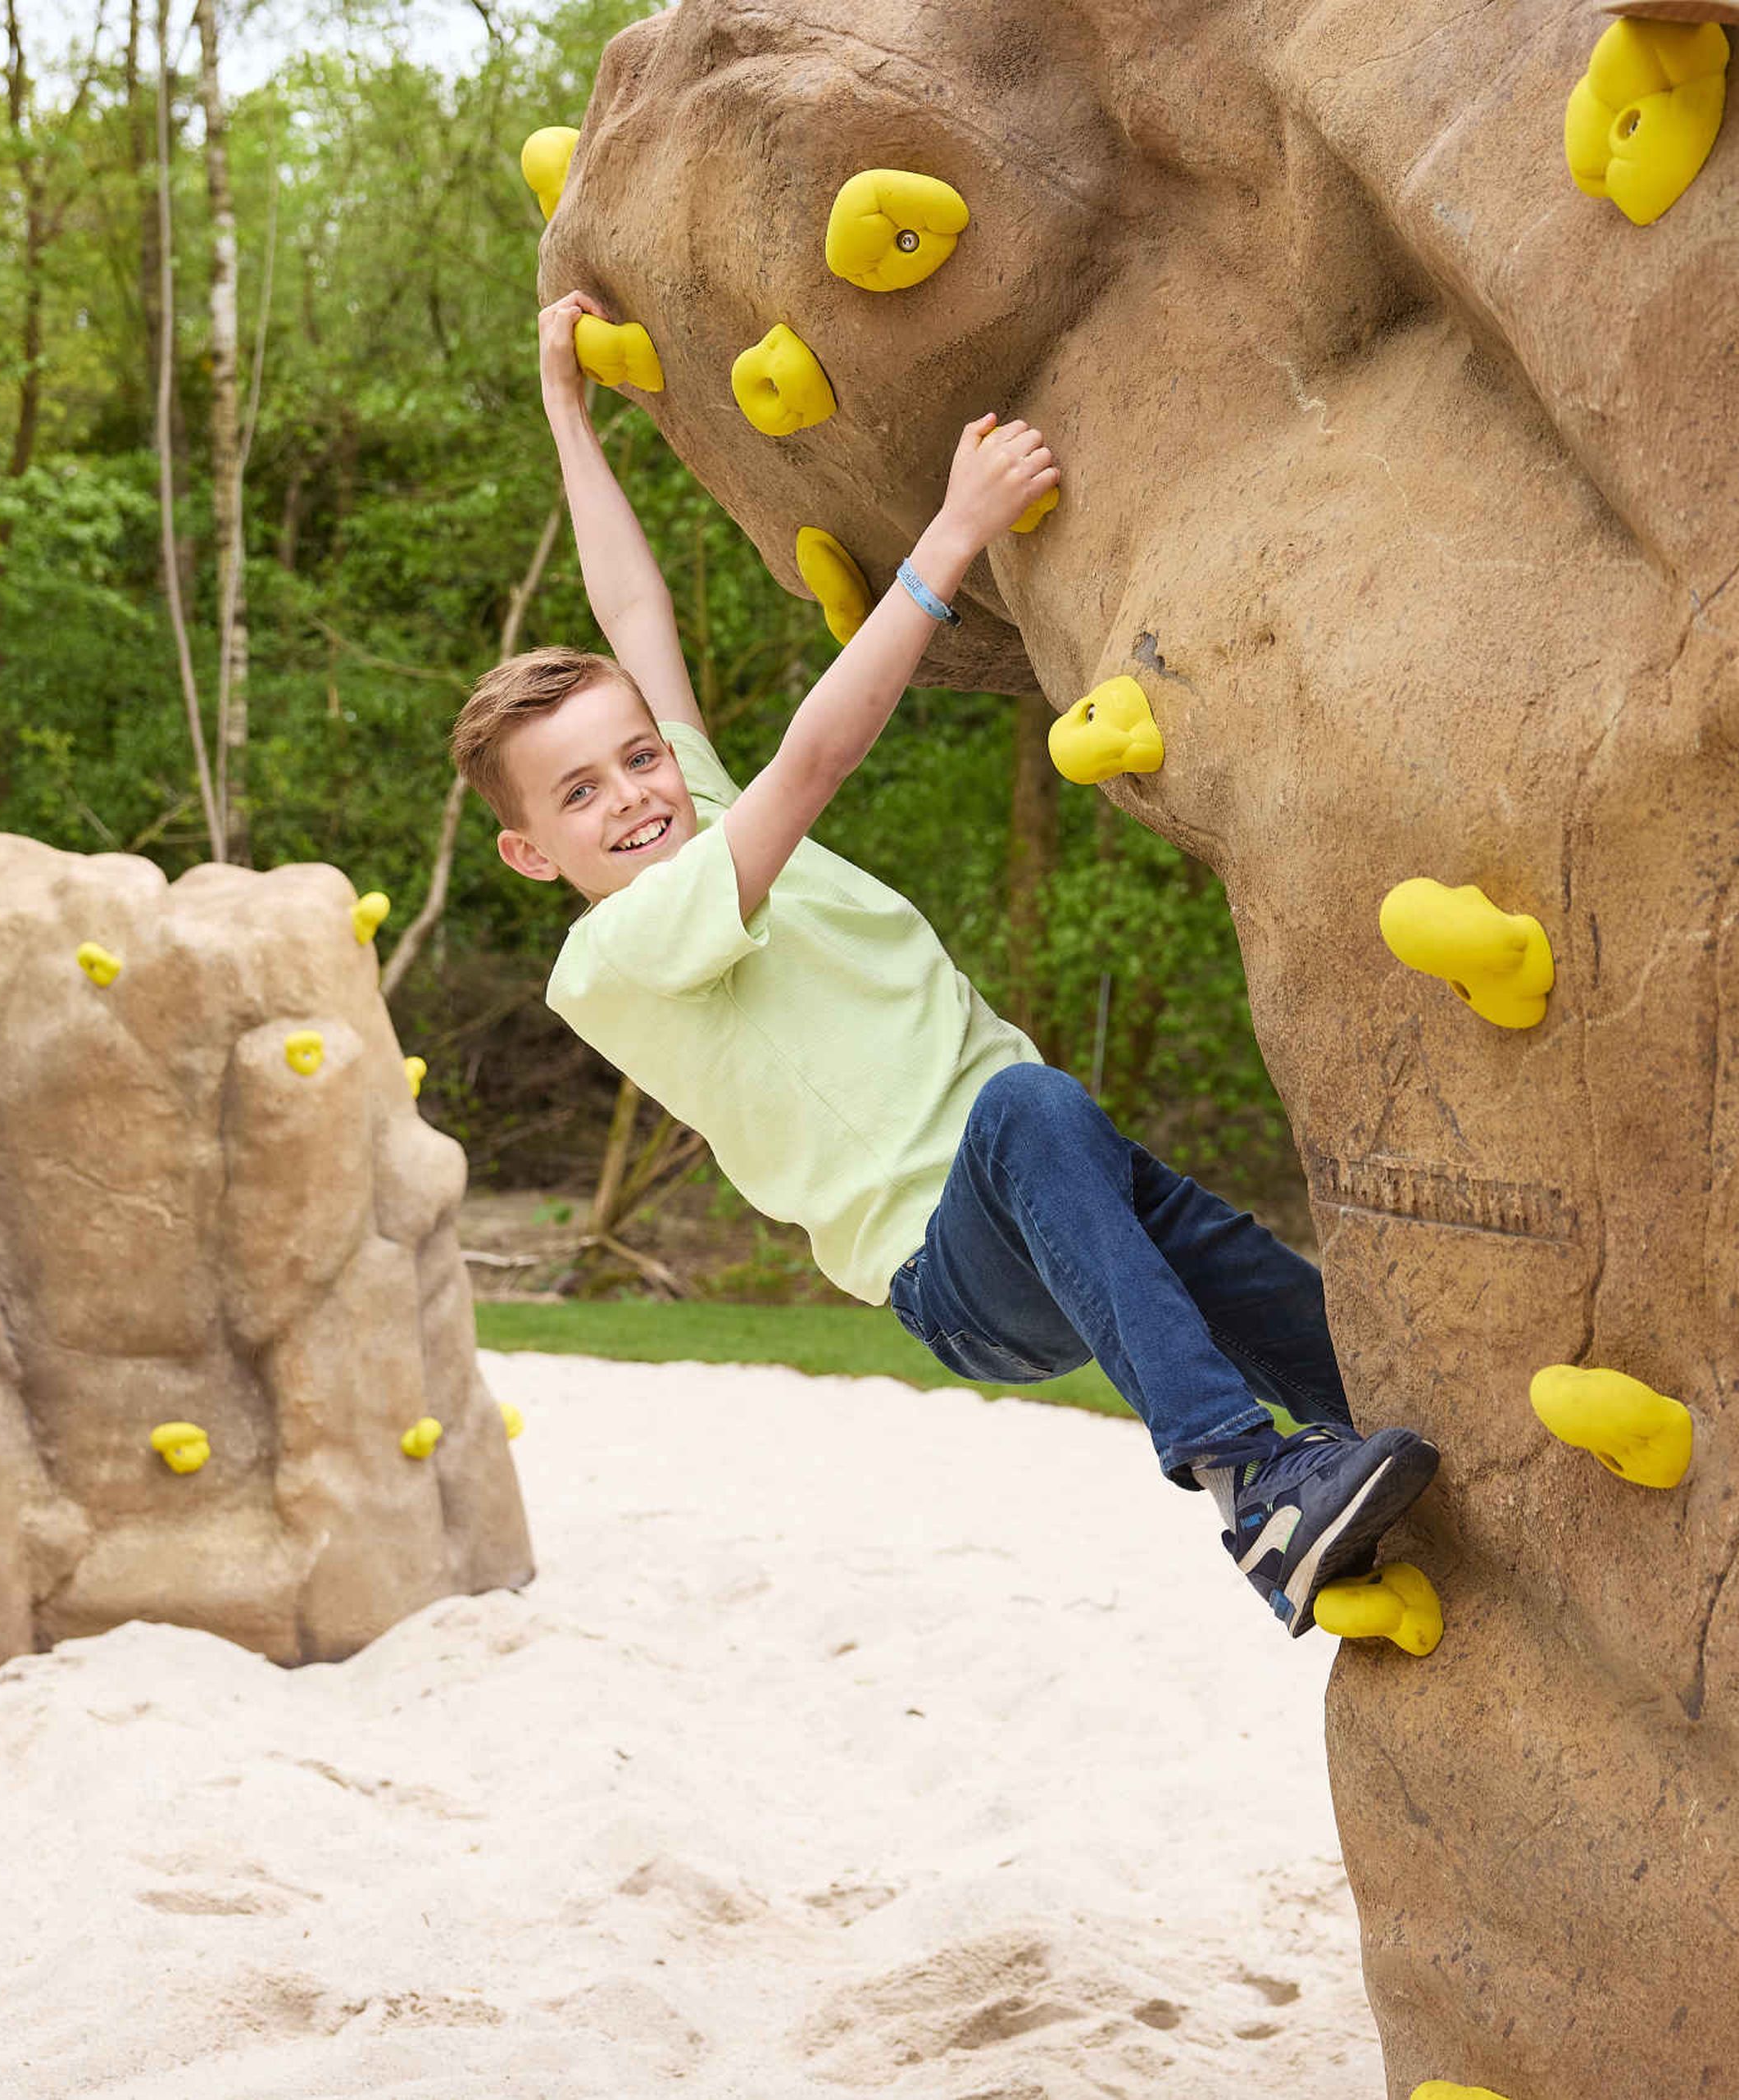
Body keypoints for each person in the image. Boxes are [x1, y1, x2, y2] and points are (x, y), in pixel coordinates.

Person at [447, 290, 1439, 1635]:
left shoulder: (689, 809)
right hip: (955, 1262)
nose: (632, 792)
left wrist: (568, 410)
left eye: (638, 756)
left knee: (1282, 1301)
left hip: (1052, 1185)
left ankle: (1363, 1458)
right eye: (578, 795)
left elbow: (634, 611)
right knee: (1027, 1106)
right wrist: (950, 538)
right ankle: (1249, 1488)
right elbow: (816, 759)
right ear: (531, 856)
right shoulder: (623, 950)